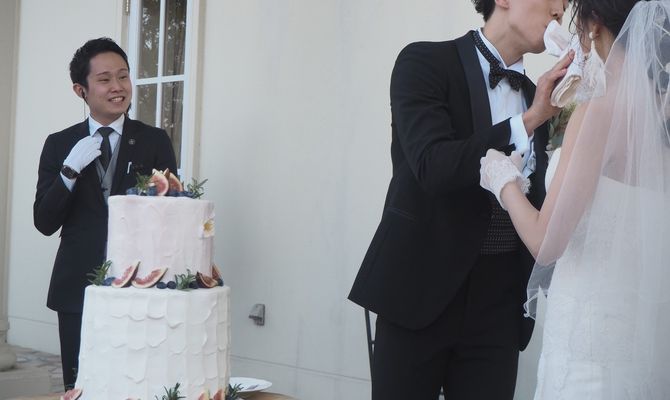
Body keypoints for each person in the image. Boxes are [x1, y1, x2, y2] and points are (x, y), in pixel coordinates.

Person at [348, 1, 572, 398]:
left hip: (500, 301)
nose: (561, 9)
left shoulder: (543, 96)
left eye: (567, 4)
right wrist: (528, 120)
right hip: (421, 287)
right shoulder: (425, 62)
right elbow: (432, 165)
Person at [480, 0, 670, 398]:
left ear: (594, 24)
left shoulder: (599, 110)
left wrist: (503, 180)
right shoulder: (659, 116)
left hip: (587, 344)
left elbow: (545, 243)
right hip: (635, 346)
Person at [33, 37, 177, 390]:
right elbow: (44, 222)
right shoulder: (58, 143)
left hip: (139, 286)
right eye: (104, 79)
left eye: (123, 76)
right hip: (76, 285)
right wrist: (69, 170)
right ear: (80, 90)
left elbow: (169, 213)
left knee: (137, 385)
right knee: (80, 386)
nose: (117, 87)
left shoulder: (154, 140)